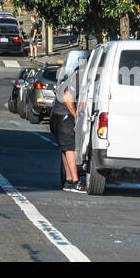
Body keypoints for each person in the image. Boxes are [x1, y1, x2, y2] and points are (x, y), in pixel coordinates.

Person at [51, 56, 84, 192]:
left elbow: (81, 99)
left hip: (58, 113)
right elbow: (67, 97)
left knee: (65, 148)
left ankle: (69, 181)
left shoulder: (78, 74)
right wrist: (76, 116)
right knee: (70, 147)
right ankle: (75, 181)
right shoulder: (81, 76)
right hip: (64, 113)